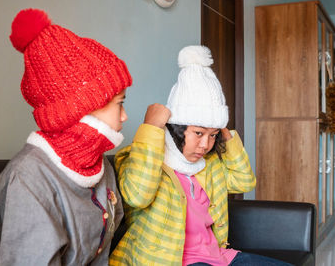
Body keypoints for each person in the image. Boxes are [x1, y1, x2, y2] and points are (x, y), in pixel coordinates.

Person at [109, 46, 292, 266]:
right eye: (198, 133)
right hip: (171, 261)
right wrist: (151, 127)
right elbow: (137, 196)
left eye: (212, 135)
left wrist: (227, 137)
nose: (205, 144)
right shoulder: (138, 157)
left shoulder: (209, 165)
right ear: (177, 128)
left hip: (217, 257)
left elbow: (245, 181)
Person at [0, 8, 132, 265]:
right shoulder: (27, 177)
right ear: (81, 110)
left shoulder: (102, 167)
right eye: (119, 104)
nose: (124, 117)